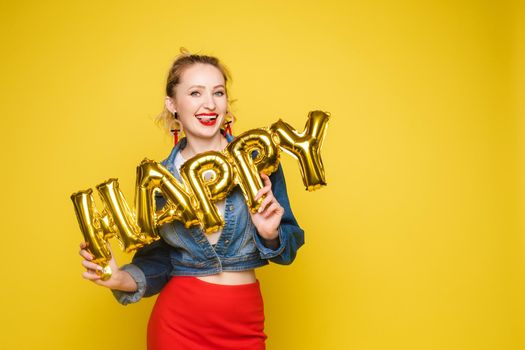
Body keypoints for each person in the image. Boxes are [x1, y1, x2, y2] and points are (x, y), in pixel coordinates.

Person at [78, 50, 305, 350]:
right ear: (172, 104)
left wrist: (270, 234)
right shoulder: (159, 183)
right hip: (179, 327)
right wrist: (119, 277)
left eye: (218, 92)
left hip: (245, 324)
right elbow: (159, 261)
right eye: (195, 93)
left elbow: (288, 250)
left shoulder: (258, 160)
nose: (209, 104)